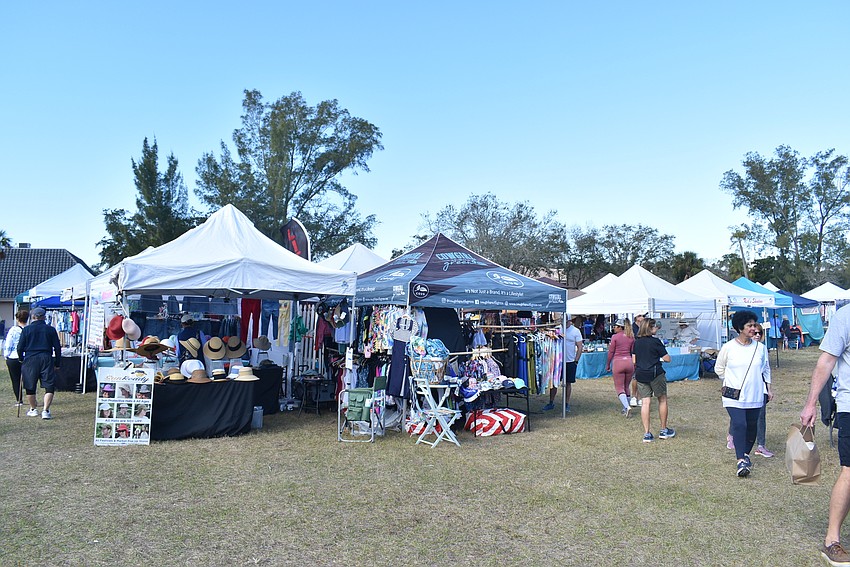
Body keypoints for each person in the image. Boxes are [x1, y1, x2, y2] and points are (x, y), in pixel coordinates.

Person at [801, 304, 850, 565]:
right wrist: (811, 403)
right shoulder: (846, 316)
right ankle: (832, 541)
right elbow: (826, 361)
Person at [715, 309, 770, 477]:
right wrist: (730, 380)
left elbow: (765, 369)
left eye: (755, 325)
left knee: (752, 425)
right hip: (733, 395)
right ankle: (740, 461)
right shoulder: (728, 347)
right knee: (740, 424)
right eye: (749, 325)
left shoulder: (760, 348)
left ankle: (745, 454)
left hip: (755, 393)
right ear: (740, 328)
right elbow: (719, 368)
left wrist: (768, 388)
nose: (753, 328)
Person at [632, 317, 675, 442]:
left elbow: (634, 360)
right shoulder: (656, 342)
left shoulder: (637, 342)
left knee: (645, 402)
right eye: (655, 326)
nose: (656, 328)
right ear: (650, 328)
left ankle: (647, 433)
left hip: (641, 374)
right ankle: (663, 430)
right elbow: (667, 358)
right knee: (662, 399)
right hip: (655, 373)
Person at [16, 307, 61, 420]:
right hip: (46, 357)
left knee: (30, 386)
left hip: (30, 358)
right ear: (44, 317)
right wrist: (57, 363)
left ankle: (33, 409)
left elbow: (20, 347)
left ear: (33, 317)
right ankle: (45, 410)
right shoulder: (50, 329)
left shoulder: (26, 330)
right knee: (49, 386)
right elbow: (57, 348)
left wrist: (21, 358)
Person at [542, 317, 583, 412]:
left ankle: (567, 403)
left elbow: (580, 346)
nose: (564, 322)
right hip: (557, 360)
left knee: (568, 382)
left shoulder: (575, 331)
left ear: (570, 321)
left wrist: (576, 360)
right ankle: (551, 402)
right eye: (562, 321)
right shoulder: (557, 329)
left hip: (570, 360)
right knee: (554, 382)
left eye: (566, 321)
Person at [606, 318, 635, 417]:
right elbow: (632, 351)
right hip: (629, 362)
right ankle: (626, 406)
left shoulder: (615, 337)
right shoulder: (631, 337)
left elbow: (611, 352)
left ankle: (627, 407)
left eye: (615, 326)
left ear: (619, 327)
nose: (613, 328)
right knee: (626, 386)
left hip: (618, 362)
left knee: (619, 387)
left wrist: (607, 364)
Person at [3, 309, 29, 406]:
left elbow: (9, 343)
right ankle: (31, 397)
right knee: (28, 378)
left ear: (17, 319)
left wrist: (6, 355)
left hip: (13, 357)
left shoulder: (13, 330)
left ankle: (19, 400)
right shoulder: (29, 329)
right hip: (26, 357)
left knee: (15, 379)